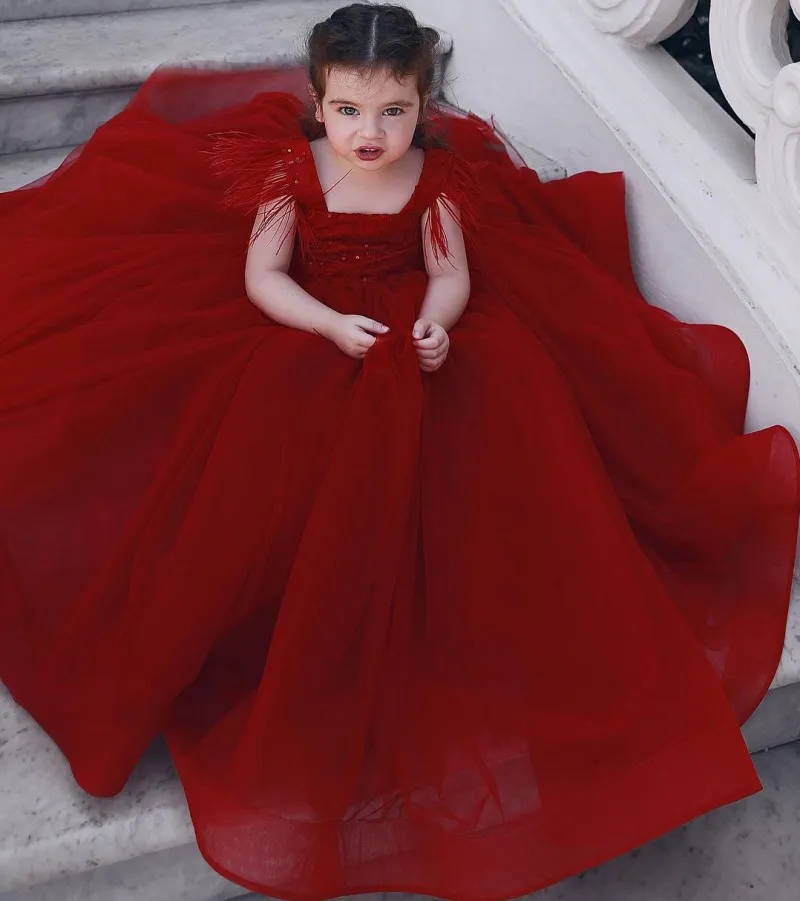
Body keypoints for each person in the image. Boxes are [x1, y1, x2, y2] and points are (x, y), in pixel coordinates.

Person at [1, 3, 798, 899]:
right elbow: (263, 277)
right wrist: (329, 324)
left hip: (409, 333)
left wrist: (436, 325)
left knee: (491, 432)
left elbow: (452, 273)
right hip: (312, 335)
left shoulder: (437, 183)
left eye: (393, 113)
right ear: (316, 102)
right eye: (347, 112)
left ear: (424, 104)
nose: (369, 134)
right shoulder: (290, 173)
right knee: (272, 459)